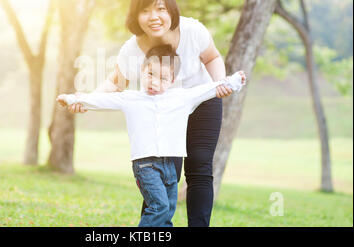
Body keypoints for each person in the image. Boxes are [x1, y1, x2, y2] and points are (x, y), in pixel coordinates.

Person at [68, 0, 233, 227]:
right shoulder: (131, 50)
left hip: (201, 102)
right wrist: (86, 100)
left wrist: (219, 84)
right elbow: (115, 83)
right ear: (136, 15)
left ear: (171, 11)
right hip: (163, 110)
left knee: (199, 166)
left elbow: (212, 57)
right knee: (162, 170)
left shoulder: (192, 31)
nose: (153, 17)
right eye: (145, 11)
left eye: (160, 9)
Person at [57, 44, 246, 227]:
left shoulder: (182, 98)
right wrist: (74, 99)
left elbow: (209, 89)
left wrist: (233, 82)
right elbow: (102, 99)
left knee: (167, 211)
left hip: (171, 166)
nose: (155, 82)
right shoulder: (130, 98)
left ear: (172, 80)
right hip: (145, 165)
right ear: (142, 70)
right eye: (150, 74)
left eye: (163, 78)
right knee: (160, 207)